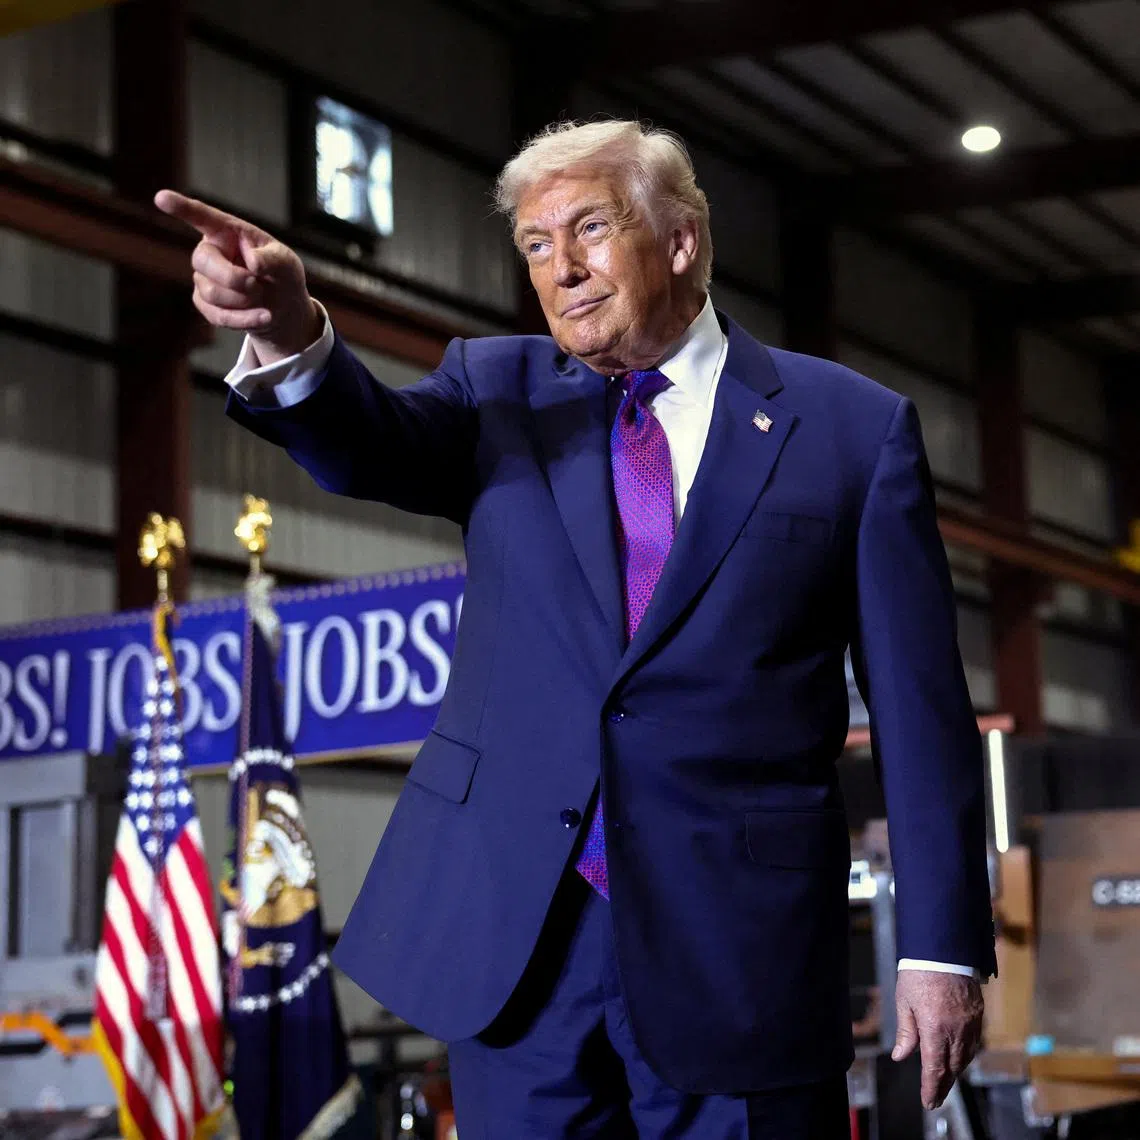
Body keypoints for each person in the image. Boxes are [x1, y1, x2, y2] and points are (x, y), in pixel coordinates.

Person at [158, 119, 995, 1139]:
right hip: (519, 950)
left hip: (738, 952)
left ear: (681, 240)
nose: (562, 269)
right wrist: (292, 337)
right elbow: (369, 442)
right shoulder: (496, 390)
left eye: (589, 230)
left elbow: (921, 712)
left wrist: (942, 948)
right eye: (537, 246)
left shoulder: (853, 431)